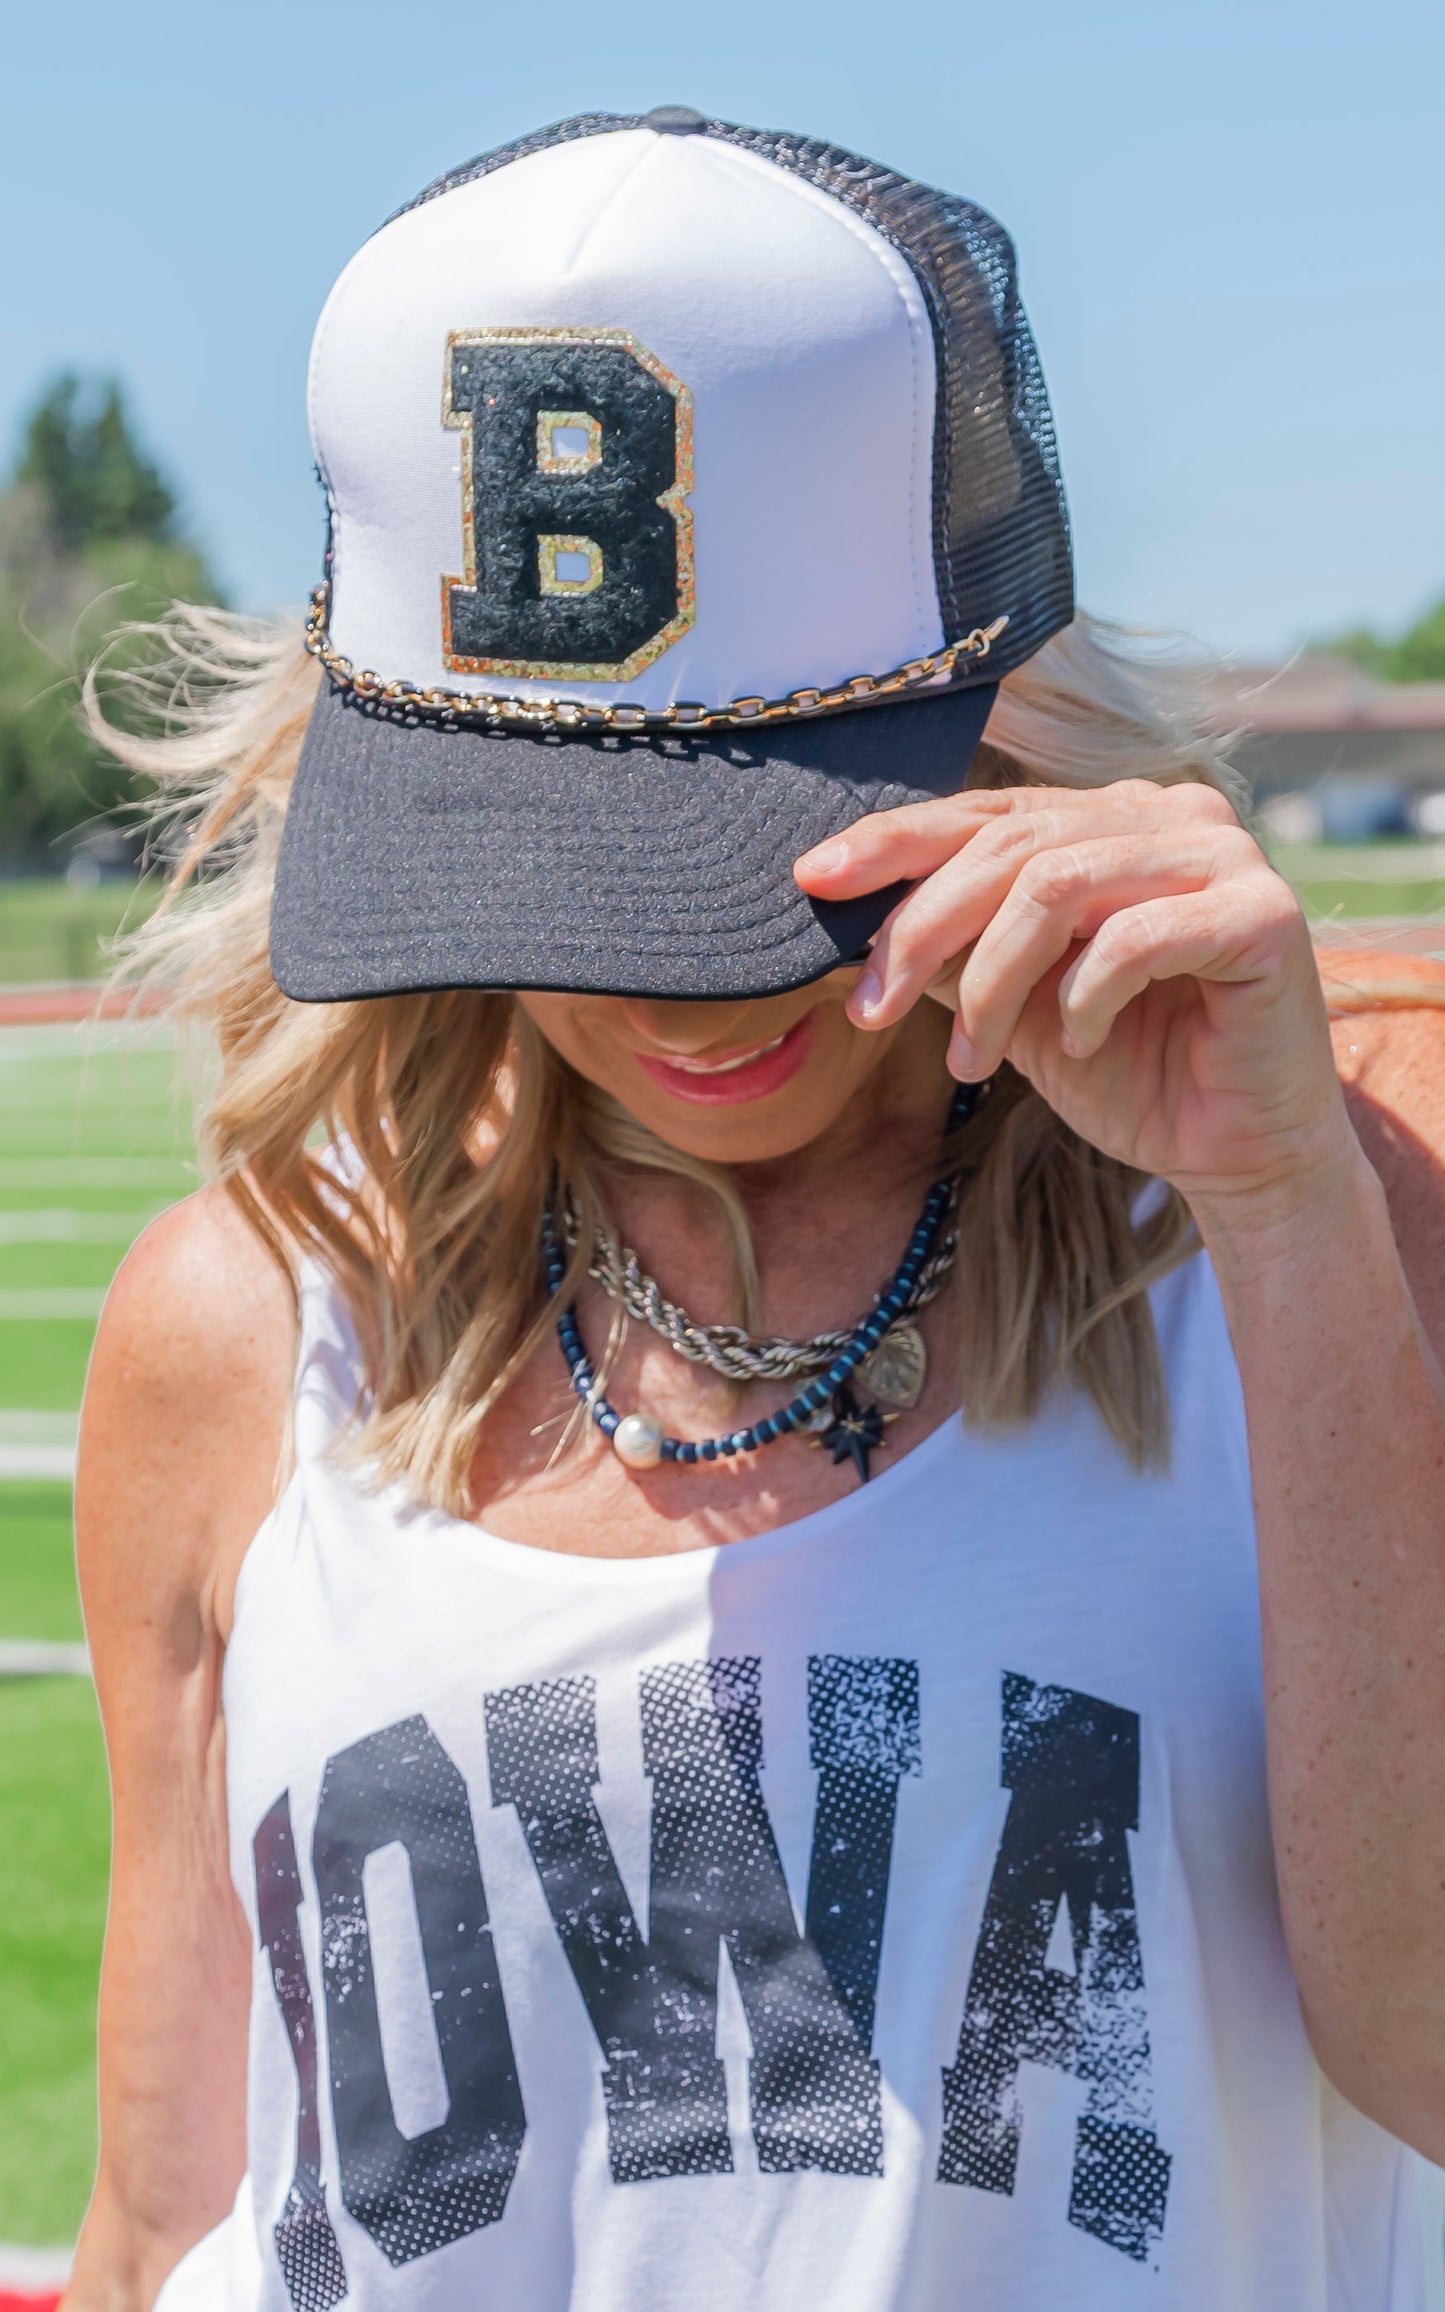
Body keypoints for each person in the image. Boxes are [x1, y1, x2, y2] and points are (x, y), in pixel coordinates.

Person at [64, 108, 1445, 2312]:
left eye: (782, 848)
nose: (677, 984)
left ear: (1004, 716)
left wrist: (1280, 1208)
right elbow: (165, 2223)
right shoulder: (247, 1321)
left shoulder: (1354, 1177)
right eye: (553, 864)